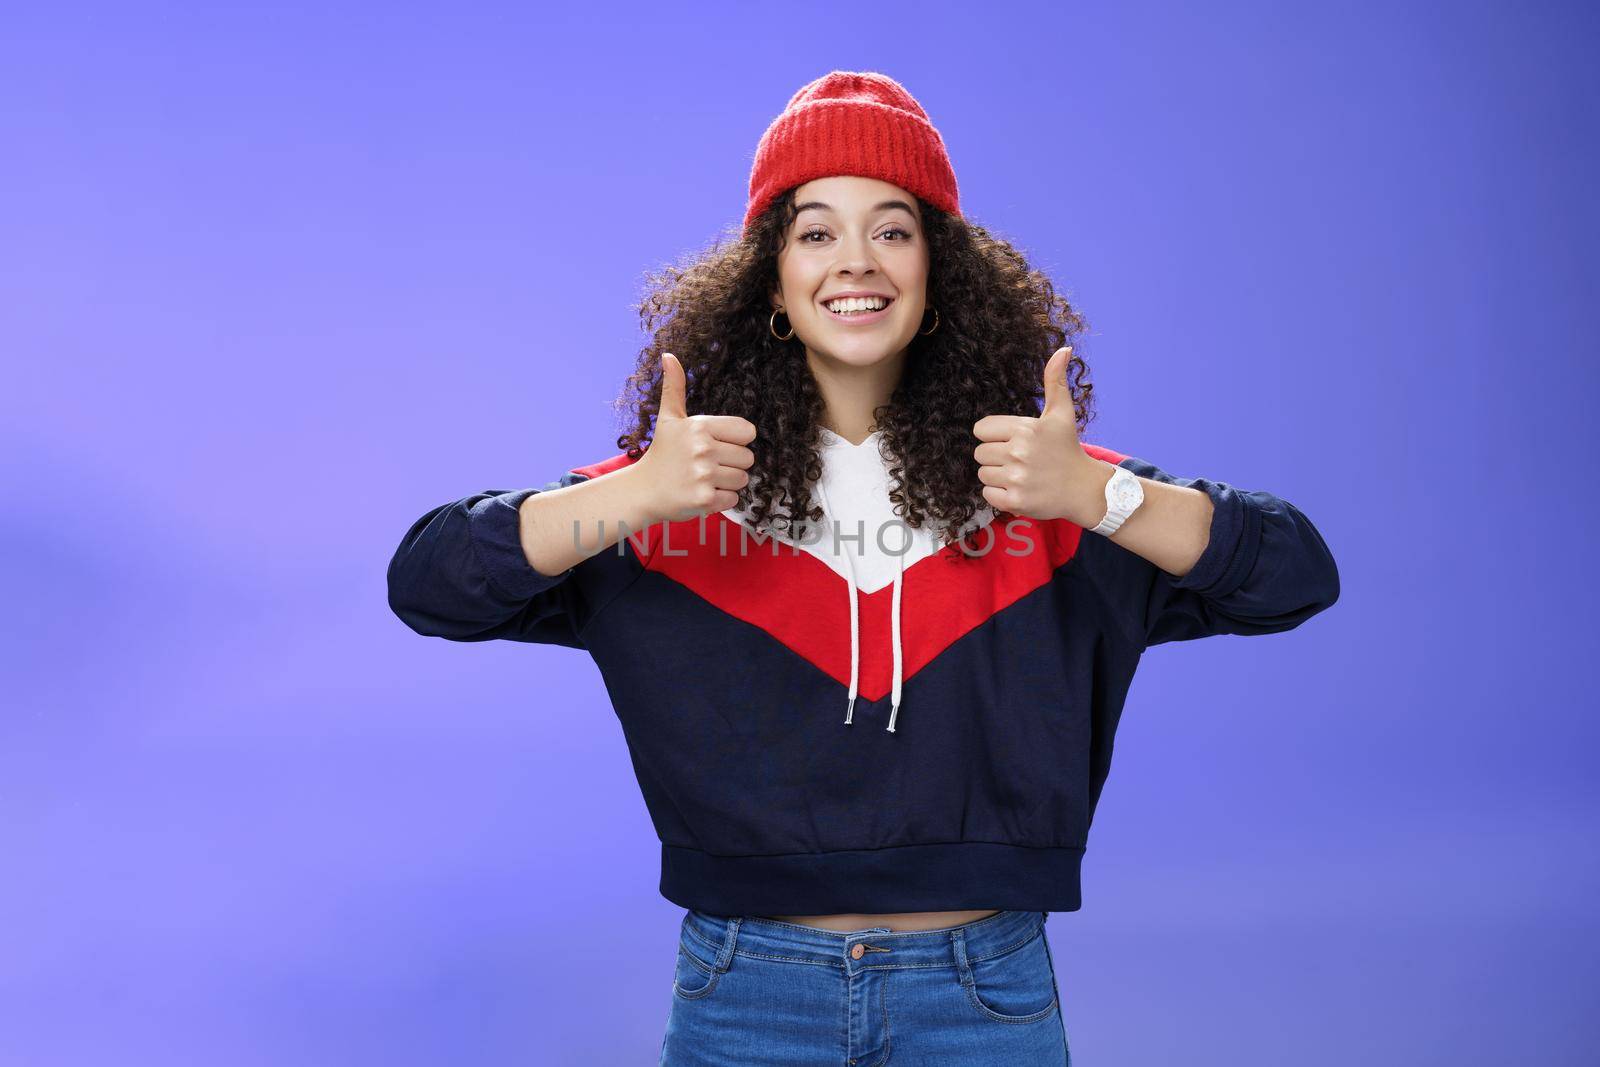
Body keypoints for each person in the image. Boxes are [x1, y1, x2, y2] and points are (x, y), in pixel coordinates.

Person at [386, 70, 1340, 1066]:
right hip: (743, 989)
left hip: (983, 991)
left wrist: (1099, 496)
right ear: (769, 277)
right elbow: (430, 580)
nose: (856, 261)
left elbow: (1290, 571)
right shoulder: (680, 488)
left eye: (891, 229)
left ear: (939, 271)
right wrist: (629, 497)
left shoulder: (1041, 486)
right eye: (814, 231)